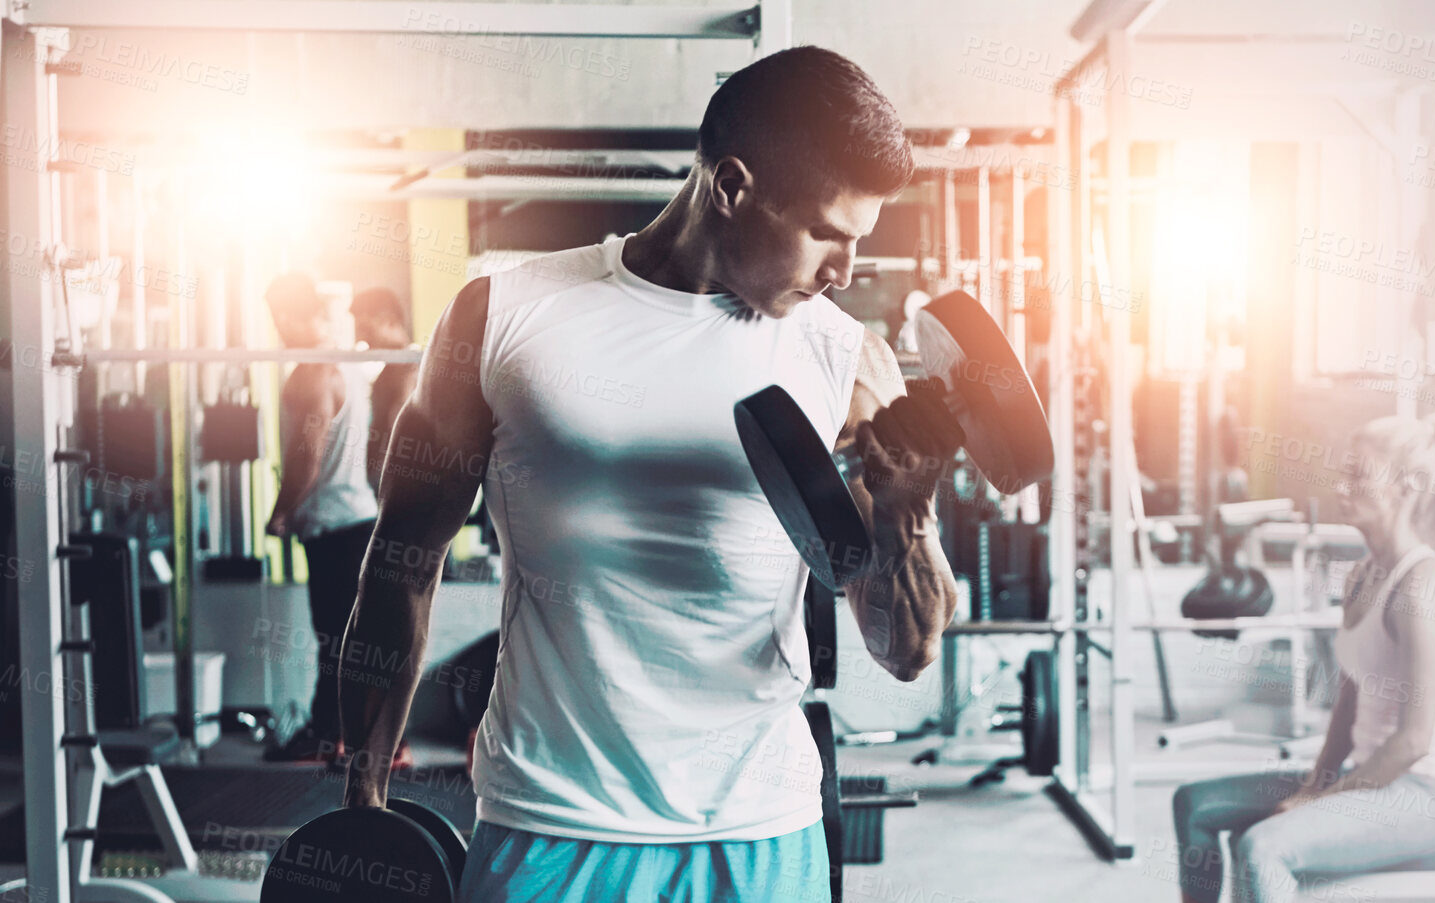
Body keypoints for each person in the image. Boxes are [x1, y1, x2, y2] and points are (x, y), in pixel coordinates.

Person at [336, 47, 960, 902]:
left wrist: (906, 515)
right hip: (553, 825)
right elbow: (403, 556)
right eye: (827, 233)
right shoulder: (505, 320)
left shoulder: (848, 362)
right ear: (732, 187)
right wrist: (362, 796)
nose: (844, 272)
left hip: (760, 831)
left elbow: (906, 651)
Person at [1172, 413, 1435, 903]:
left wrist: (1317, 800)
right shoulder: (1362, 575)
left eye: (1359, 477)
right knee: (1194, 804)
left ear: (1406, 489)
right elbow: (1348, 702)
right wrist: (1318, 779)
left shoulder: (1423, 588)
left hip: (1429, 797)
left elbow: (1412, 742)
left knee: (1262, 848)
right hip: (1370, 777)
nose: (1343, 487)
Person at [262, 273, 412, 769]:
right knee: (351, 637)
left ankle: (336, 737)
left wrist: (281, 511)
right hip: (352, 518)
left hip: (335, 523)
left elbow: (307, 451)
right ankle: (346, 737)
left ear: (294, 314)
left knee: (338, 638)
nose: (280, 326)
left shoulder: (313, 372)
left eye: (282, 316)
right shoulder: (346, 366)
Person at [349, 286, 418, 495]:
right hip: (380, 492)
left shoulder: (413, 370)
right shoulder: (387, 373)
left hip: (400, 494)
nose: (362, 338)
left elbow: (401, 437)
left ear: (389, 321)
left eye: (366, 329)